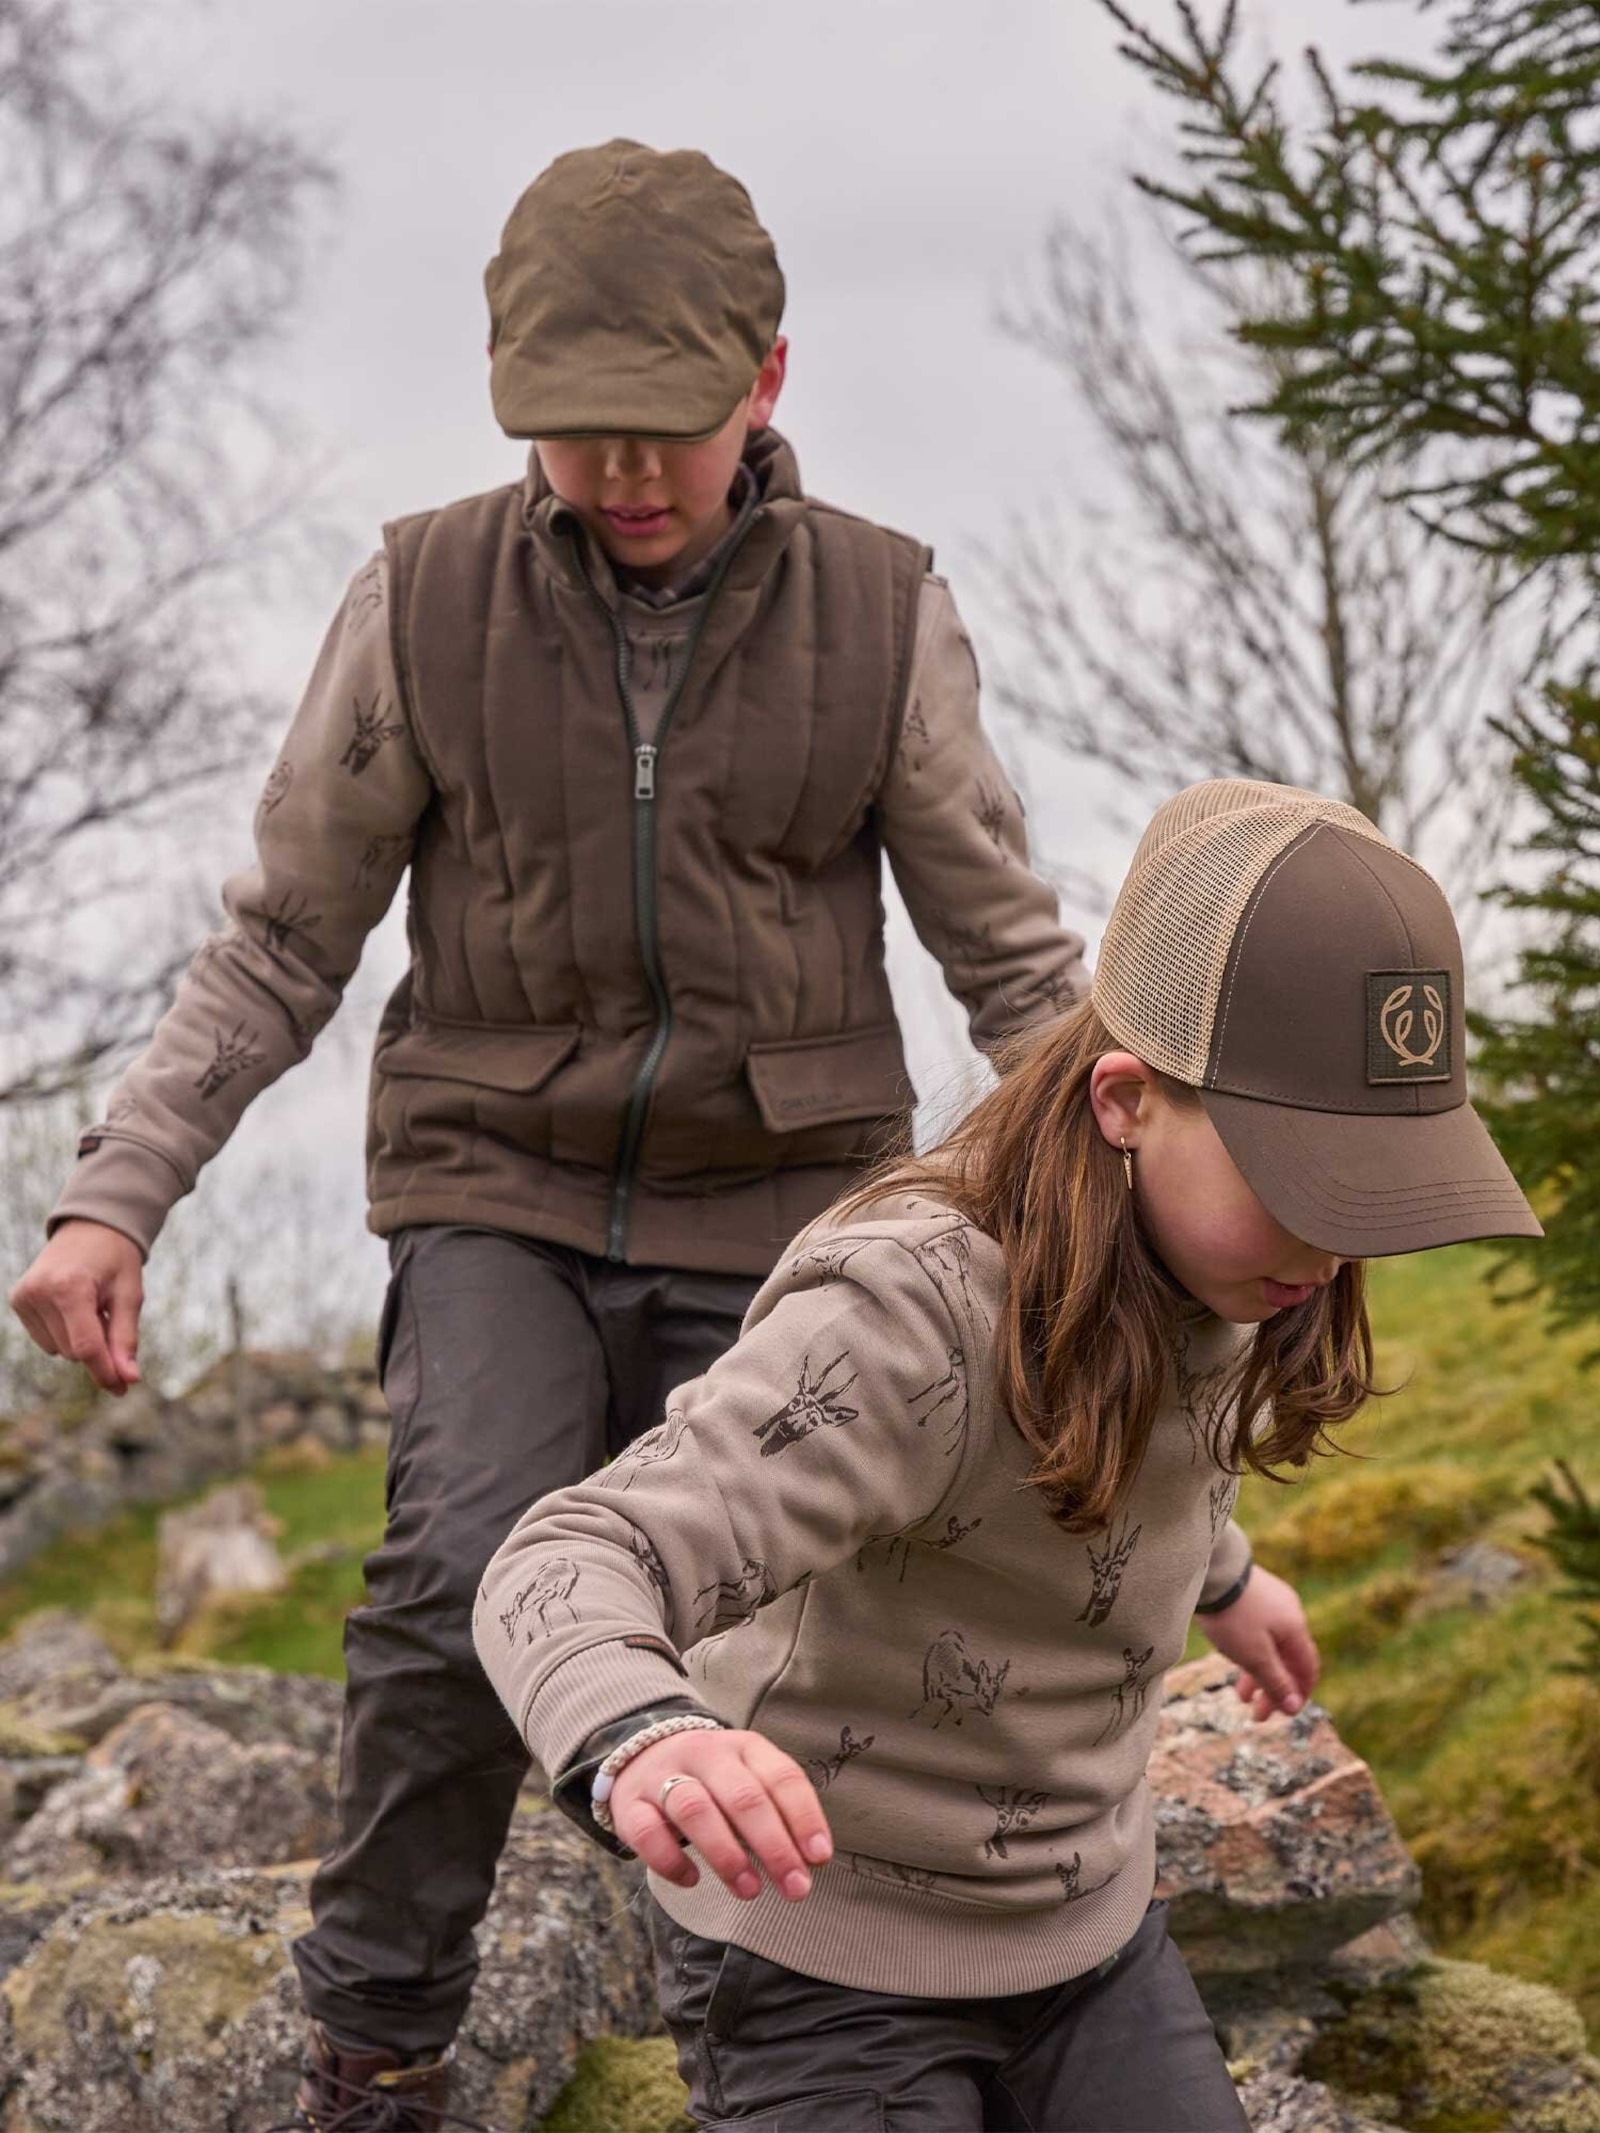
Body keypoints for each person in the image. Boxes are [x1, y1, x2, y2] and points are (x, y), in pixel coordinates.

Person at [6, 141, 1087, 2126]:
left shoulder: (881, 612)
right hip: (493, 1188)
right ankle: (377, 2048)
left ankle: (783, 2049)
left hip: (791, 1208)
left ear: (766, 376)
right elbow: (282, 938)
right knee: (455, 1579)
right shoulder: (423, 601)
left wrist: (1135, 1207)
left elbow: (1010, 960)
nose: (625, 470)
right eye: (576, 429)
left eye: (665, 422)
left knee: (779, 1625)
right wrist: (114, 1196)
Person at [473, 777, 1541, 2133]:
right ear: (1127, 1102)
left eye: (1372, 1190)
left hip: (1085, 1938)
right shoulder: (904, 1318)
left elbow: (1123, 1458)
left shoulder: (1241, 1267)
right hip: (825, 1950)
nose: (1333, 1247)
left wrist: (1227, 1577)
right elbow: (571, 1554)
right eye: (1299, 1180)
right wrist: (646, 1731)